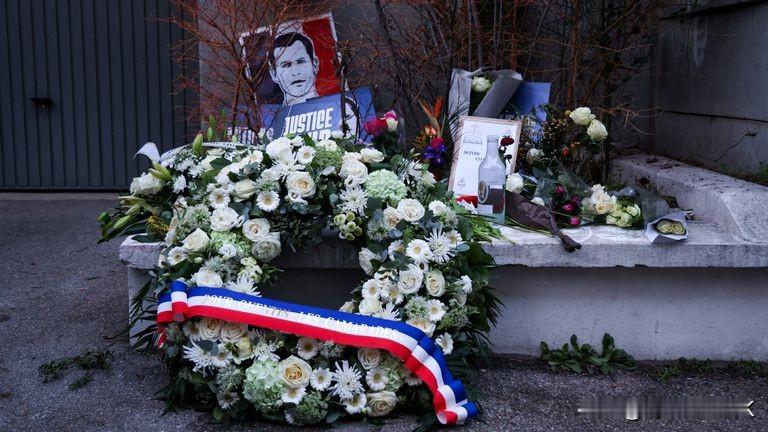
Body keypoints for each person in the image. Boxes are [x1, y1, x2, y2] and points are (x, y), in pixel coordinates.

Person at [268, 32, 320, 106]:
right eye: (286, 65)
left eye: (300, 62)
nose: (295, 72)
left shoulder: (332, 106)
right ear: (274, 74)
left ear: (315, 65)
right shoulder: (273, 113)